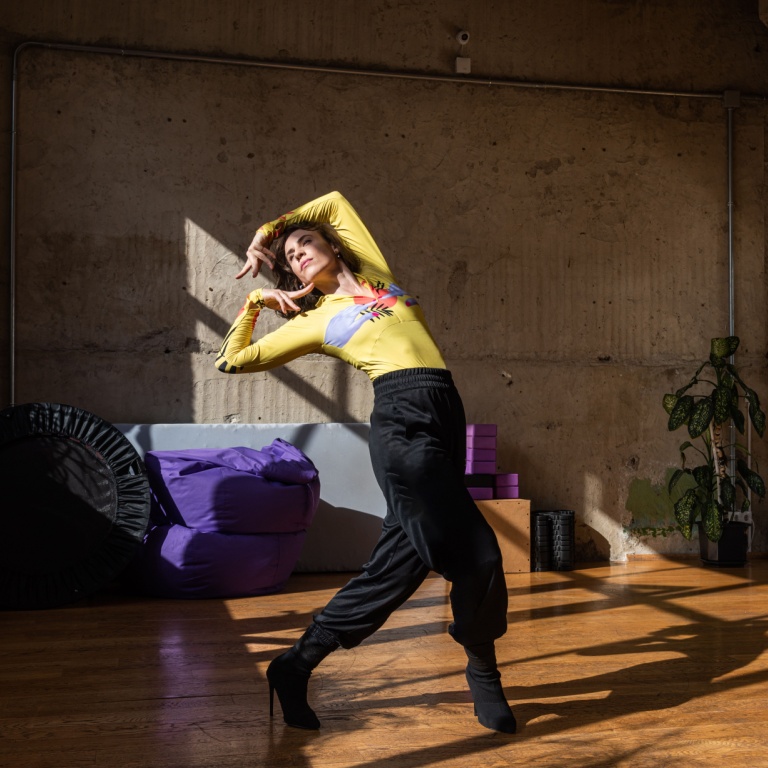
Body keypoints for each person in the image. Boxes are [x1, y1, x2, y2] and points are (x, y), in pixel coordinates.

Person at [215, 191, 515, 734]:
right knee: (480, 552)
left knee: (395, 569)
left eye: (306, 243)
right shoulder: (316, 320)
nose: (298, 254)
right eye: (290, 258)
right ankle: (483, 668)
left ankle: (295, 665)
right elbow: (231, 360)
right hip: (401, 425)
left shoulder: (378, 277)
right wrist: (256, 302)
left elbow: (331, 203)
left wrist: (269, 230)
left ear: (333, 246)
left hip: (444, 410)